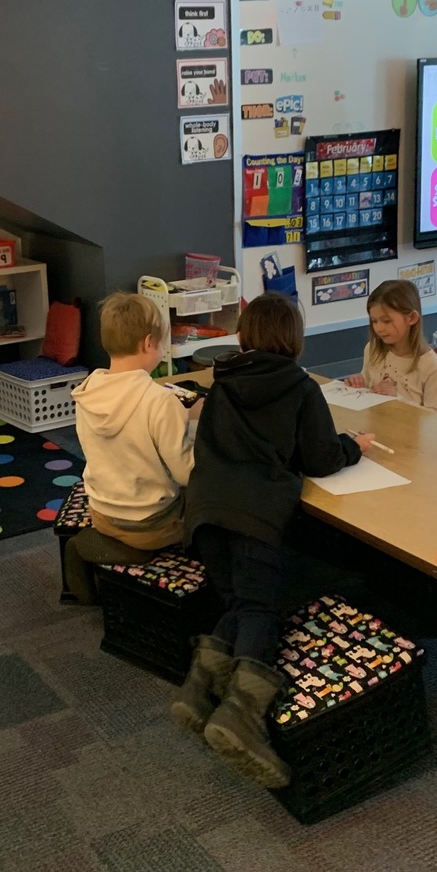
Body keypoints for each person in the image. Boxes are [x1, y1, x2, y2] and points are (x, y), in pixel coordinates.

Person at [171, 292, 374, 789]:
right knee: (260, 606)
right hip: (255, 512)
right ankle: (241, 715)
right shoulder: (300, 388)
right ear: (295, 339)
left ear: (244, 337)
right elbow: (322, 457)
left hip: (204, 509)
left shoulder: (222, 383)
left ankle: (199, 688)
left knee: (238, 599)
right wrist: (355, 446)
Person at [65, 292, 199, 604]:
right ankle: (136, 550)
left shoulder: (87, 392)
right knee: (211, 495)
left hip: (101, 511)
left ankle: (102, 543)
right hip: (154, 524)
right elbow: (186, 473)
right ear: (149, 343)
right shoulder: (160, 401)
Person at [343, 279, 437, 414]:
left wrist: (397, 400)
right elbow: (369, 387)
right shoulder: (372, 349)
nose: (379, 328)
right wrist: (359, 384)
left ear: (411, 318)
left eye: (386, 321)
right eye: (374, 321)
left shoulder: (432, 366)